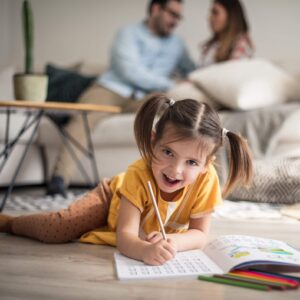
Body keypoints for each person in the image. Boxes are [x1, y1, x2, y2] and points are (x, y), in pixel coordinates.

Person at [0, 95, 253, 266]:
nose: (175, 170)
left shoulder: (206, 179)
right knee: (56, 229)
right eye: (168, 152)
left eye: (191, 162)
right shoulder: (138, 174)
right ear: (153, 140)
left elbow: (199, 233)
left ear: (207, 164)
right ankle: (10, 223)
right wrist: (144, 251)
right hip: (111, 197)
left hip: (150, 227)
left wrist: (172, 241)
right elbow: (126, 236)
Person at [47, 0, 196, 197]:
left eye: (179, 16)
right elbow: (129, 71)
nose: (176, 21)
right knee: (84, 118)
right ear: (156, 9)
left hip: (147, 97)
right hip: (113, 89)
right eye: (172, 14)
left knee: (172, 110)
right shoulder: (128, 33)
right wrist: (168, 83)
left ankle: (168, 182)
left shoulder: (178, 45)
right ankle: (59, 180)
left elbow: (193, 71)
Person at [200, 0, 254, 67]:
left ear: (231, 16)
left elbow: (233, 74)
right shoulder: (210, 46)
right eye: (211, 13)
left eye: (215, 12)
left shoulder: (241, 45)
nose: (209, 18)